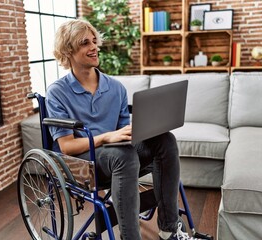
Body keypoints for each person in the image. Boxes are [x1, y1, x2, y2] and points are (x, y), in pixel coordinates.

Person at [46, 19, 200, 240]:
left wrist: (145, 130)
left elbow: (124, 135)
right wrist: (108, 136)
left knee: (165, 140)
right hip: (83, 161)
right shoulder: (57, 92)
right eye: (84, 43)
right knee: (123, 156)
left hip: (116, 155)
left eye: (94, 41)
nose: (94, 47)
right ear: (68, 50)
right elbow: (67, 146)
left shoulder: (115, 87)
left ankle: (169, 228)